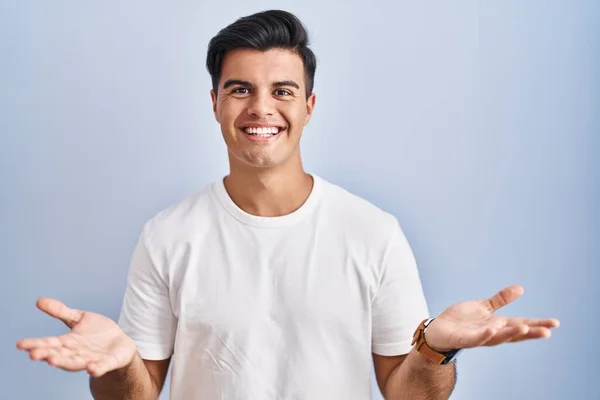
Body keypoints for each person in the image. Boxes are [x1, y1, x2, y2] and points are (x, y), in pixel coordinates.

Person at [16, 9, 559, 400]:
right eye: (239, 89)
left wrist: (435, 349)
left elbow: (409, 395)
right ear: (214, 103)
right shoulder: (167, 235)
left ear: (309, 105)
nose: (261, 108)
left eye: (282, 90)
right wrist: (113, 366)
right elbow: (135, 397)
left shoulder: (373, 232)